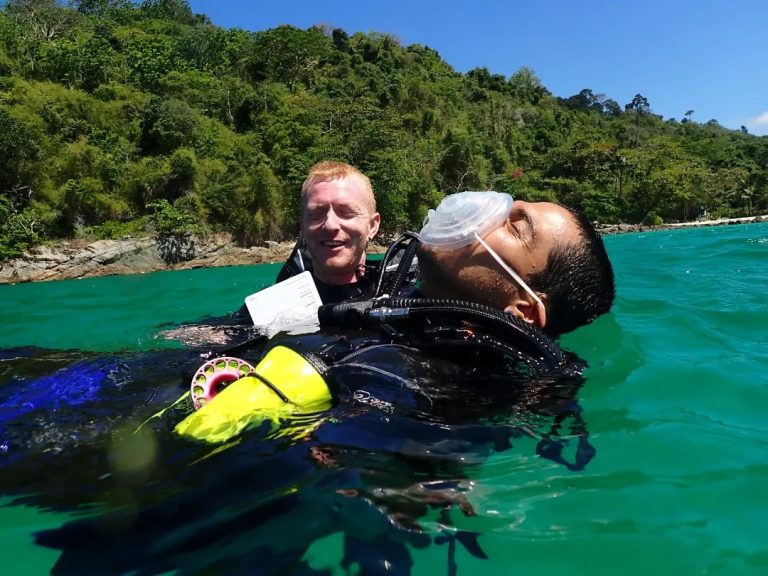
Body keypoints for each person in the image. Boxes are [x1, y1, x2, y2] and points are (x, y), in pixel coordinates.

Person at [276, 161, 382, 304]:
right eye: (316, 214)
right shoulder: (272, 306)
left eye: (346, 213)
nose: (330, 225)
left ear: (372, 226)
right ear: (302, 226)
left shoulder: (407, 297)